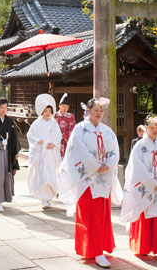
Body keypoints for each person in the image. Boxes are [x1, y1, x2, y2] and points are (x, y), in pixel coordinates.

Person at [59, 97, 121, 269]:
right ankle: (92, 250)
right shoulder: (79, 129)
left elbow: (115, 151)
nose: (99, 113)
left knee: (102, 214)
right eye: (96, 110)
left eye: (101, 110)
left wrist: (108, 164)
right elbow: (76, 152)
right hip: (87, 178)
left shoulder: (107, 131)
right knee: (89, 214)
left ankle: (100, 247)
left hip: (103, 178)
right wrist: (94, 166)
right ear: (88, 110)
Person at [120, 115, 157, 267]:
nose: (155, 130)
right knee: (144, 217)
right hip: (146, 187)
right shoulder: (139, 146)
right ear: (145, 128)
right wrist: (151, 182)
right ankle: (143, 247)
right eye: (152, 127)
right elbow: (136, 167)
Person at [27, 94, 63, 209]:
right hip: (41, 153)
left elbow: (58, 136)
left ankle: (50, 197)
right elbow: (30, 135)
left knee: (51, 173)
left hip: (51, 153)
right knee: (42, 174)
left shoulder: (54, 123)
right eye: (45, 110)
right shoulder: (37, 123)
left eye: (49, 110)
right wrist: (38, 141)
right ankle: (43, 199)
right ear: (41, 111)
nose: (47, 113)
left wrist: (54, 143)